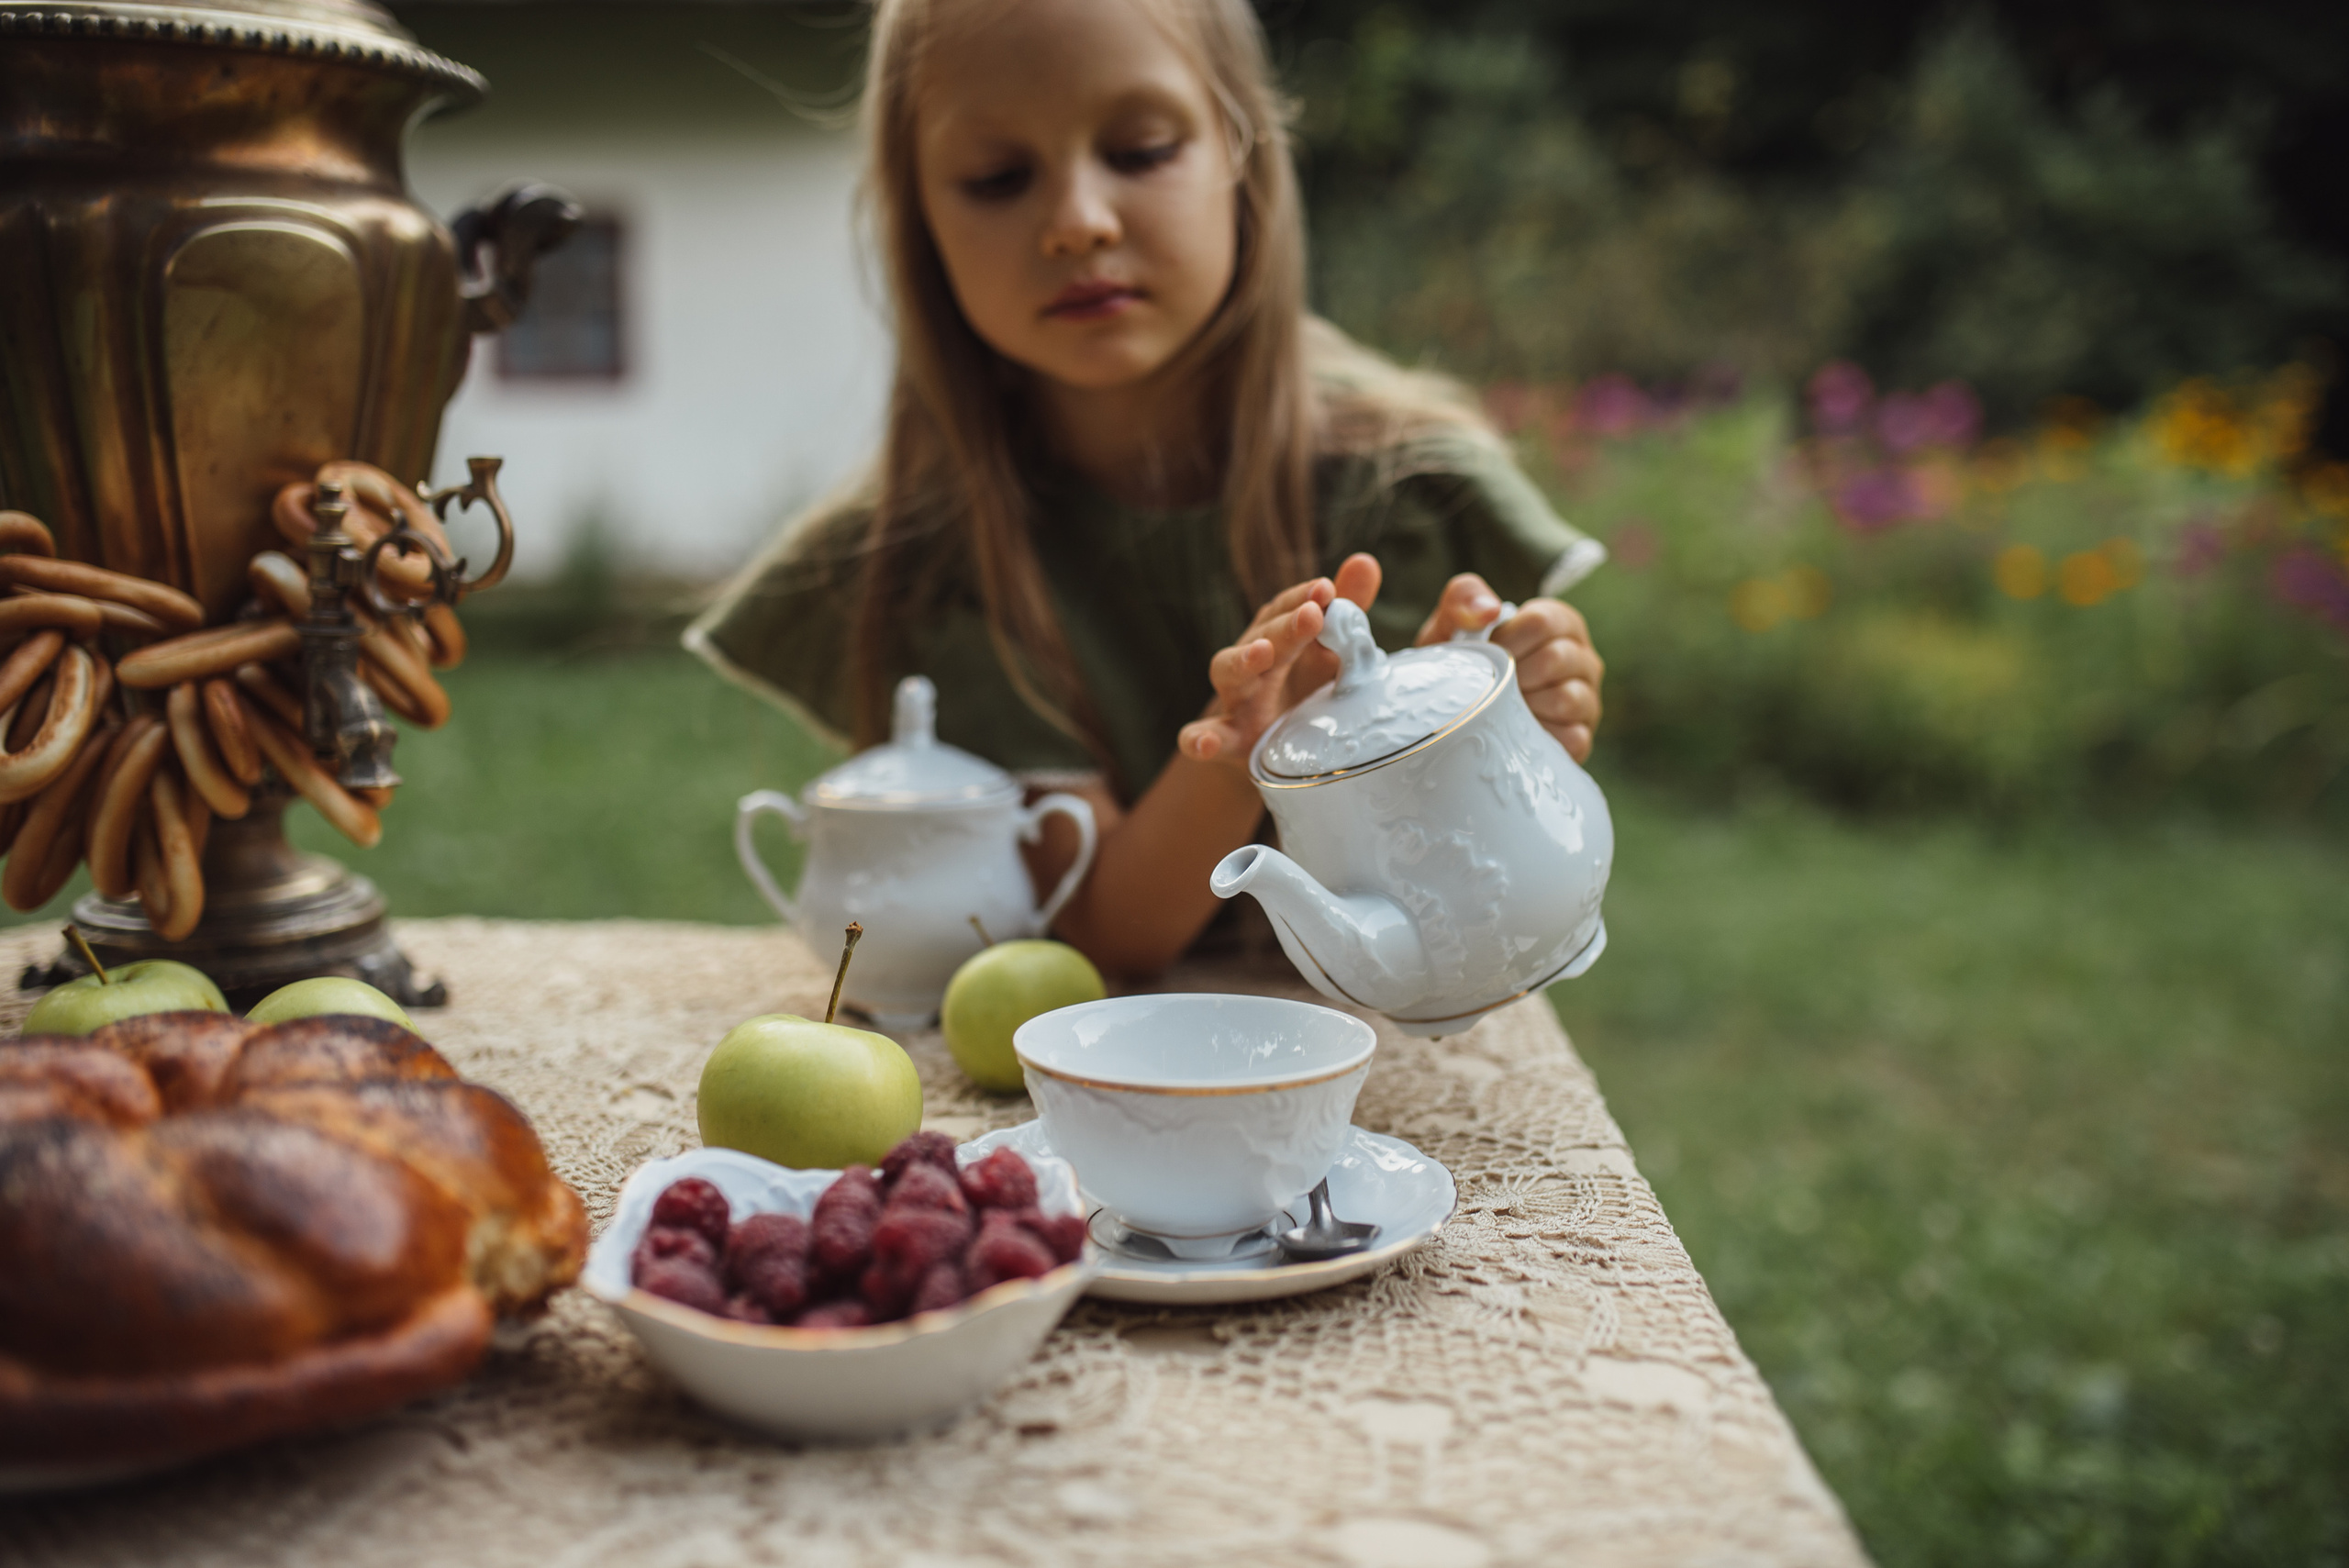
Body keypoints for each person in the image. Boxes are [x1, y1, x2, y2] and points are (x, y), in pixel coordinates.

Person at [688, 0, 1607, 978]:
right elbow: (1111, 934)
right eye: (999, 178)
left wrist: (1502, 724)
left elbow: (1454, 899)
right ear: (918, 220)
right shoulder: (934, 554)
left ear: (1241, 148)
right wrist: (1245, 742)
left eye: (1140, 150)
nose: (1079, 222)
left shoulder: (1404, 481)